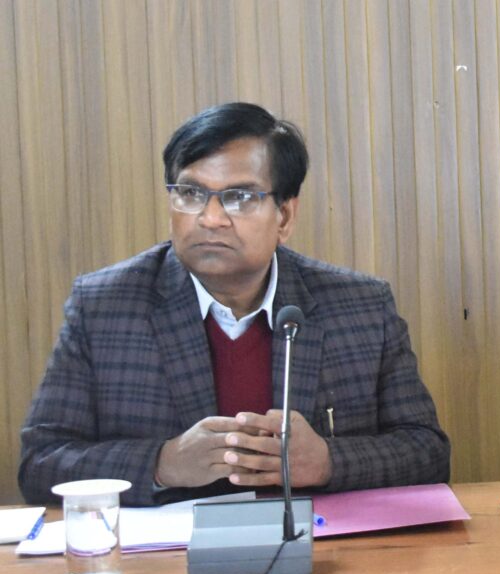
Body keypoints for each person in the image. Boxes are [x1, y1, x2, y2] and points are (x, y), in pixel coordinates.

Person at [20, 102, 450, 505]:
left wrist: (327, 462)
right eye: (190, 193)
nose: (210, 218)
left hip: (319, 547)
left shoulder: (360, 306)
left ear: (284, 216)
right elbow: (41, 463)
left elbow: (428, 452)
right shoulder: (104, 306)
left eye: (240, 197)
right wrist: (162, 463)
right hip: (169, 556)